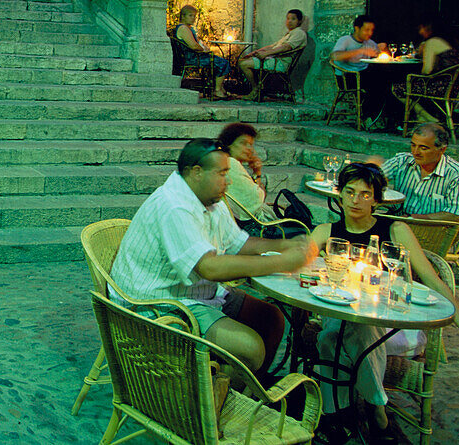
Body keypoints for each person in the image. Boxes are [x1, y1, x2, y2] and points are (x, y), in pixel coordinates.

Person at [310, 162, 459, 444]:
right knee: (335, 333)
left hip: (394, 326)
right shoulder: (326, 231)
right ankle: (373, 413)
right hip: (343, 318)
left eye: (365, 194)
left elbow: (434, 282)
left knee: (340, 336)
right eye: (349, 192)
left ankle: (354, 413)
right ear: (339, 194)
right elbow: (298, 263)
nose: (356, 200)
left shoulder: (395, 231)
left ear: (377, 200)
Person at [110, 139, 317, 376]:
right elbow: (210, 268)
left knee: (271, 319)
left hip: (195, 292)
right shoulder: (175, 206)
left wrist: (286, 245)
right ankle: (210, 404)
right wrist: (284, 262)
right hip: (158, 303)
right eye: (222, 173)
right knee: (250, 350)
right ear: (197, 172)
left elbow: (238, 243)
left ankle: (245, 395)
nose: (228, 181)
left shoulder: (210, 199)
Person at [377, 122, 459, 223]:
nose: (415, 152)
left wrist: (413, 219)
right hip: (399, 223)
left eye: (423, 148)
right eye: (413, 145)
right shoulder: (402, 161)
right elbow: (372, 177)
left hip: (434, 230)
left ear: (442, 150)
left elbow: (456, 215)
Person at [391, 15, 459, 122]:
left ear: (427, 28)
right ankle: (421, 118)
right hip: (458, 87)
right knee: (414, 84)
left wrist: (424, 52)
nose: (420, 32)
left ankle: (427, 117)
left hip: (442, 88)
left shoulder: (432, 42)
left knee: (397, 88)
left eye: (421, 28)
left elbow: (427, 70)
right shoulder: (453, 42)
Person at [237, 9, 308, 100]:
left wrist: (265, 54)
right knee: (243, 61)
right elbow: (273, 46)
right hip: (274, 60)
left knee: (243, 64)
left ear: (299, 21)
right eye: (288, 18)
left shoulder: (299, 33)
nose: (289, 21)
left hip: (280, 63)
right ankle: (258, 88)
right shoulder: (290, 34)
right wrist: (255, 52)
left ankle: (255, 90)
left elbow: (286, 47)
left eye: (293, 19)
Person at [216, 123, 275, 227]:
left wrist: (256, 172)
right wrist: (258, 174)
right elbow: (255, 199)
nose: (250, 149)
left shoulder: (228, 162)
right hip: (247, 227)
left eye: (251, 144)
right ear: (229, 144)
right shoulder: (231, 164)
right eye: (243, 143)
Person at [332, 14, 385, 121]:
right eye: (367, 30)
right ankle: (368, 118)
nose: (370, 33)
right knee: (377, 84)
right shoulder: (345, 40)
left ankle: (379, 118)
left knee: (385, 80)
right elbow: (334, 56)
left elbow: (380, 54)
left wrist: (383, 50)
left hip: (364, 75)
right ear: (357, 28)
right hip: (347, 77)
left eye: (372, 30)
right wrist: (361, 51)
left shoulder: (369, 42)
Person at [172, 4, 231, 99]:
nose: (193, 18)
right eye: (190, 15)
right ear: (183, 16)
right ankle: (217, 90)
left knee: (217, 59)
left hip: (194, 56)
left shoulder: (188, 28)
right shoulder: (183, 28)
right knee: (223, 63)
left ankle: (220, 88)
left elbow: (197, 42)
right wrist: (204, 50)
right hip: (192, 58)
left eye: (194, 16)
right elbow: (194, 46)